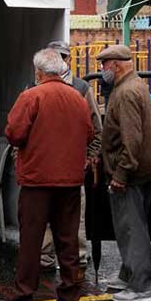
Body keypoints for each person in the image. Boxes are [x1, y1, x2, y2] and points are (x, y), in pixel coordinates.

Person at [0, 48, 93, 301]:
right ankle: (70, 298)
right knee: (68, 241)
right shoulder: (78, 98)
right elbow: (89, 133)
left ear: (38, 72)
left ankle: (23, 298)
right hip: (71, 182)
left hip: (37, 181)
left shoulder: (31, 96)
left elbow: (14, 134)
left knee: (31, 241)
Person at [98, 44, 151, 301]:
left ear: (117, 65)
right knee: (128, 228)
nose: (102, 70)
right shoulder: (135, 85)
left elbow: (131, 140)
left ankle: (142, 286)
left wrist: (120, 174)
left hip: (130, 175)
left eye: (104, 65)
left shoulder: (125, 93)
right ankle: (128, 273)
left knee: (133, 229)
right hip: (139, 172)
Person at [38, 40, 102, 272]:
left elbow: (96, 127)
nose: (60, 61)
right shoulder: (34, 87)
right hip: (45, 166)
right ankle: (46, 257)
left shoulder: (81, 88)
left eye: (63, 56)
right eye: (56, 56)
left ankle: (78, 257)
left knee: (75, 217)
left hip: (71, 166)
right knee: (46, 216)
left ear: (68, 59)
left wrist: (89, 156)